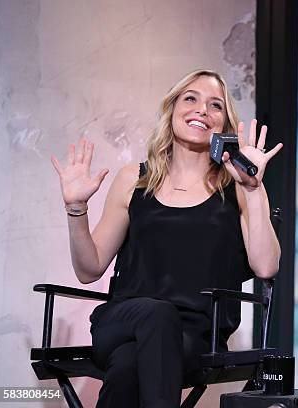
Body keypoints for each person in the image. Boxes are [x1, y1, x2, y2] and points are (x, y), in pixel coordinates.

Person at [51, 69, 282, 408]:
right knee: (156, 314)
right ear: (172, 109)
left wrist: (253, 187)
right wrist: (76, 208)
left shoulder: (237, 187)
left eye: (215, 105)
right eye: (191, 98)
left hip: (193, 336)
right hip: (122, 321)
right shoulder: (135, 180)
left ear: (225, 125)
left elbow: (266, 266)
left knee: (128, 366)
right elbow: (90, 268)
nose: (202, 109)